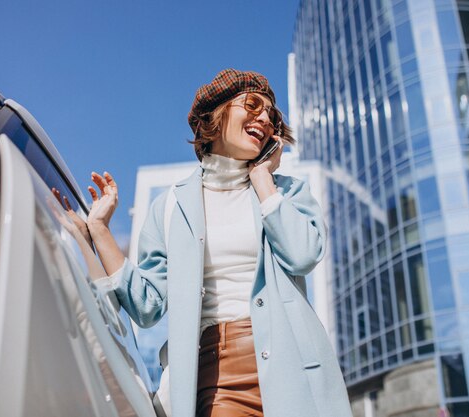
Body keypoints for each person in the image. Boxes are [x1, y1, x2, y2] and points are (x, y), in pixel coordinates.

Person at [84, 69, 353, 417]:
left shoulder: (287, 192)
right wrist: (100, 229)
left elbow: (302, 255)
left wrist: (262, 178)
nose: (265, 118)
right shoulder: (170, 206)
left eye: (271, 114)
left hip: (295, 369)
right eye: (253, 105)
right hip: (217, 377)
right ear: (215, 116)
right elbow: (147, 306)